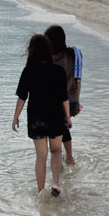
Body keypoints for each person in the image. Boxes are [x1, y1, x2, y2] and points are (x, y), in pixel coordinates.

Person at [13, 34, 71, 196]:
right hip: (55, 117)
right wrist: (67, 116)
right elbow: (64, 97)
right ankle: (56, 184)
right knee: (56, 151)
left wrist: (15, 117)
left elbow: (22, 96)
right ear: (48, 50)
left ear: (31, 51)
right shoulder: (58, 71)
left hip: (36, 118)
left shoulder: (28, 71)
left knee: (41, 155)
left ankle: (40, 191)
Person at [43, 25, 82, 165]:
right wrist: (77, 102)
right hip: (72, 99)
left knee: (58, 130)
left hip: (57, 102)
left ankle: (61, 160)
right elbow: (78, 80)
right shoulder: (74, 54)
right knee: (63, 128)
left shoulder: (51, 59)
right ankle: (69, 157)